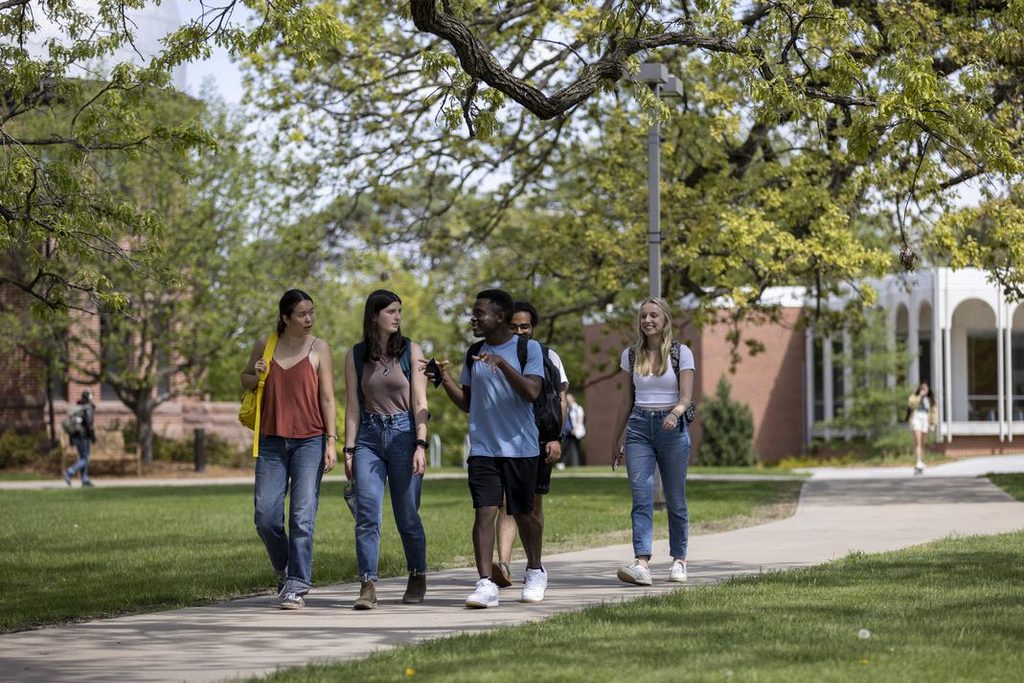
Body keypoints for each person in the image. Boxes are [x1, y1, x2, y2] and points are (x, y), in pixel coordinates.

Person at [425, 289, 548, 608]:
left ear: (500, 317)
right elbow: (468, 403)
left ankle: (535, 570)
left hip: (521, 448)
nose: (473, 318)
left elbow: (533, 391)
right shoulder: (473, 351)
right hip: (483, 448)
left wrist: (504, 366)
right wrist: (444, 378)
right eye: (474, 312)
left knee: (524, 514)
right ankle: (485, 583)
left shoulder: (527, 348)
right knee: (484, 512)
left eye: (479, 313)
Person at [241, 289, 337, 610]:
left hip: (310, 440)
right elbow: (245, 380)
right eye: (301, 314)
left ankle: (297, 584)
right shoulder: (265, 344)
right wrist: (255, 374)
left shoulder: (319, 347)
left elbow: (327, 398)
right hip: (271, 440)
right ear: (285, 317)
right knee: (265, 517)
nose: (308, 319)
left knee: (302, 516)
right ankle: (284, 567)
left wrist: (332, 441)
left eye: (311, 312)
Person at [343, 290, 429, 610]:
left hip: (404, 435)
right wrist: (349, 449)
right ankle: (368, 584)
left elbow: (420, 402)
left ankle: (417, 574)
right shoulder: (355, 355)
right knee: (367, 514)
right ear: (374, 316)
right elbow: (353, 406)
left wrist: (421, 443)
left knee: (406, 514)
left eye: (399, 311)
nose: (397, 316)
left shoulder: (411, 351)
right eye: (391, 311)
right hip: (368, 436)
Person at [610, 298, 695, 586]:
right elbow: (626, 401)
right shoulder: (631, 355)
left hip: (672, 428)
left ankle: (679, 560)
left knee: (675, 498)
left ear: (665, 320)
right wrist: (615, 439)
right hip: (638, 429)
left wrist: (675, 413)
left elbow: (686, 398)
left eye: (654, 315)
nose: (648, 320)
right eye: (644, 315)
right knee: (641, 496)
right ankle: (642, 563)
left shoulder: (681, 353)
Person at [491, 301, 568, 589]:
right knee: (505, 502)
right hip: (507, 439)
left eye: (525, 326)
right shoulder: (495, 355)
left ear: (533, 328)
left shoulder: (548, 357)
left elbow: (559, 400)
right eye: (514, 327)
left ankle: (534, 564)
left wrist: (555, 437)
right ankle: (503, 564)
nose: (520, 331)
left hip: (539, 439)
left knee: (532, 504)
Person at [63, 390, 96, 487]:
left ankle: (85, 479)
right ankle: (69, 472)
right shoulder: (87, 408)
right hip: (84, 437)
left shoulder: (77, 408)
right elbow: (89, 424)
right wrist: (93, 437)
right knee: (85, 459)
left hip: (75, 437)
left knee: (83, 457)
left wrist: (71, 439)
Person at [907, 382, 937, 475]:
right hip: (916, 418)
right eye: (922, 389)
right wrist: (920, 396)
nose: (924, 390)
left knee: (923, 442)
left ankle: (921, 461)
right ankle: (918, 462)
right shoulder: (914, 397)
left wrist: (933, 424)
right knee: (918, 441)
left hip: (925, 419)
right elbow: (911, 405)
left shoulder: (930, 399)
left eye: (925, 389)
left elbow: (934, 412)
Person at [562, 392, 586, 468]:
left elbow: (580, 420)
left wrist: (575, 429)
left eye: (569, 398)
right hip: (569, 432)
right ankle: (562, 463)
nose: (568, 399)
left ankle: (577, 464)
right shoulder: (567, 409)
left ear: (573, 398)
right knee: (566, 447)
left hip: (577, 432)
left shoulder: (578, 408)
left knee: (577, 448)